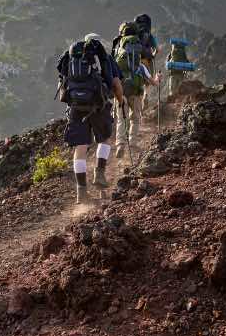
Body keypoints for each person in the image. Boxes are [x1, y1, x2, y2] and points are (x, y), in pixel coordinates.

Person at [57, 34, 124, 204]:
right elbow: (116, 84)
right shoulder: (104, 58)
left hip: (76, 108)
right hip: (98, 105)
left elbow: (62, 85)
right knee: (105, 139)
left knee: (80, 148)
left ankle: (81, 192)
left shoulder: (71, 58)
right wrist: (121, 102)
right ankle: (99, 173)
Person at [114, 22, 161, 158]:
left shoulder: (118, 53)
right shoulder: (140, 66)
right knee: (134, 118)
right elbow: (153, 83)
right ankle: (133, 143)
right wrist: (158, 78)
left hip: (120, 91)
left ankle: (120, 144)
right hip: (136, 91)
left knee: (121, 120)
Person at [134, 13, 160, 110]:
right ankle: (146, 95)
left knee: (138, 83)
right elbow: (157, 49)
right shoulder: (150, 35)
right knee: (148, 82)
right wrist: (153, 55)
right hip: (147, 61)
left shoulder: (135, 34)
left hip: (136, 61)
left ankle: (139, 103)